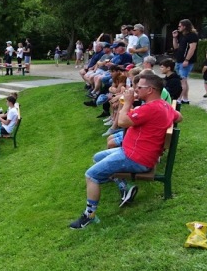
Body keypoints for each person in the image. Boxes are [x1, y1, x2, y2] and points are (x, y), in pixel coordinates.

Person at [69, 73, 183, 229]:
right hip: (137, 153)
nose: (135, 89)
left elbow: (122, 122)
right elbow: (179, 117)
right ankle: (124, 187)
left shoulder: (150, 108)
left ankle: (89, 216)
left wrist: (127, 102)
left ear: (150, 90)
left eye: (139, 87)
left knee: (91, 175)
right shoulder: (163, 105)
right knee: (97, 157)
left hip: (135, 157)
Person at [172, 19, 199, 104]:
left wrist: (187, 60)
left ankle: (178, 99)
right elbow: (176, 47)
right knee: (184, 80)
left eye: (180, 26)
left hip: (185, 61)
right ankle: (185, 99)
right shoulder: (182, 35)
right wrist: (174, 37)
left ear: (185, 26)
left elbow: (192, 48)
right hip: (179, 59)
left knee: (182, 80)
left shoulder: (192, 35)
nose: (178, 28)